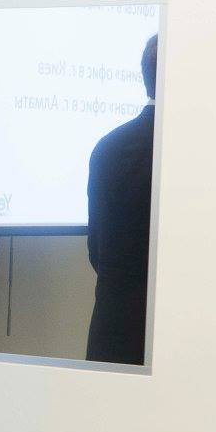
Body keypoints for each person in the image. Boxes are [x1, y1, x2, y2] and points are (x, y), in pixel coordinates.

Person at [85, 34, 158, 366]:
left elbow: (96, 250)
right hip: (174, 334)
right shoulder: (193, 149)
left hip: (112, 332)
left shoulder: (107, 147)